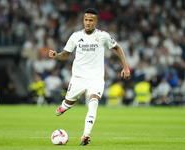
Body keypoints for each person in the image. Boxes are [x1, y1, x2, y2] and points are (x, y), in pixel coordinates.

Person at [49, 8, 130, 146]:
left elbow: (117, 47)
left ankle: (85, 136)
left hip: (96, 78)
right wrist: (56, 55)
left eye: (91, 20)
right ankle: (64, 106)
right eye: (86, 20)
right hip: (78, 78)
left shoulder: (103, 36)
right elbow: (65, 54)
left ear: (95, 22)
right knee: (68, 103)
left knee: (93, 102)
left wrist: (125, 67)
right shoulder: (75, 36)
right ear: (83, 21)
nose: (88, 23)